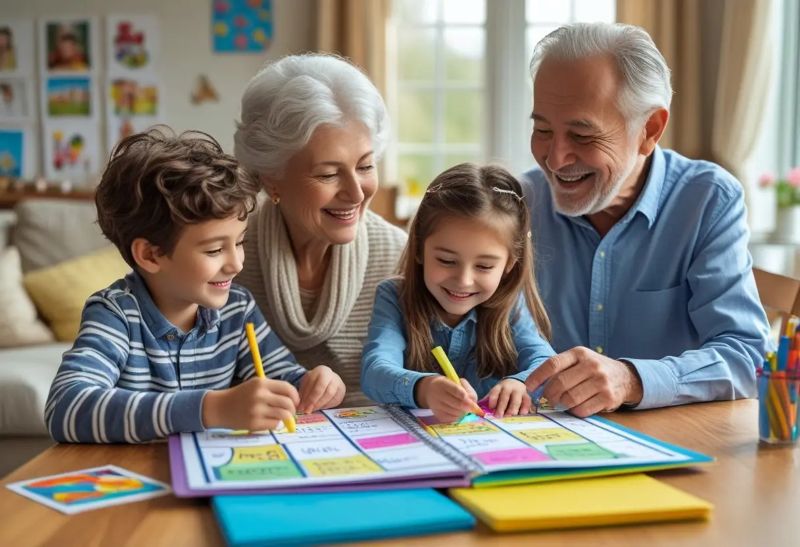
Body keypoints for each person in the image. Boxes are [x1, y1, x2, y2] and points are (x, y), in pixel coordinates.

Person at [521, 22, 770, 417]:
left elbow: (748, 357)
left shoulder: (706, 199)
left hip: (676, 448)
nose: (555, 159)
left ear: (650, 129)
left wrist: (632, 379)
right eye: (542, 129)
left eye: (583, 136)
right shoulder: (519, 205)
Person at [45, 127, 345, 443]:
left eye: (239, 242)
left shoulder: (237, 310)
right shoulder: (116, 314)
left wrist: (312, 385)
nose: (236, 263)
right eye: (215, 250)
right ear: (150, 254)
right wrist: (210, 409)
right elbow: (66, 407)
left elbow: (283, 380)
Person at [234, 54, 407, 407]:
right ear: (272, 179)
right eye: (328, 174)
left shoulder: (399, 256)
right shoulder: (228, 257)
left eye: (365, 166)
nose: (357, 193)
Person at [361, 163, 555, 422]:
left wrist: (521, 383)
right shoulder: (394, 297)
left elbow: (546, 363)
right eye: (446, 261)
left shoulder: (510, 304)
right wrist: (423, 388)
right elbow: (374, 371)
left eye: (484, 266)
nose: (463, 281)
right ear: (419, 248)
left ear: (509, 264)